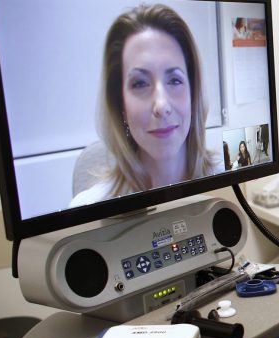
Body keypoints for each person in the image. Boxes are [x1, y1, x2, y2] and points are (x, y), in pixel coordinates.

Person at [71, 3, 218, 207]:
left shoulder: (229, 186)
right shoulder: (88, 208)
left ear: (193, 94)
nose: (161, 105)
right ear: (120, 104)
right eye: (140, 83)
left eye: (175, 80)